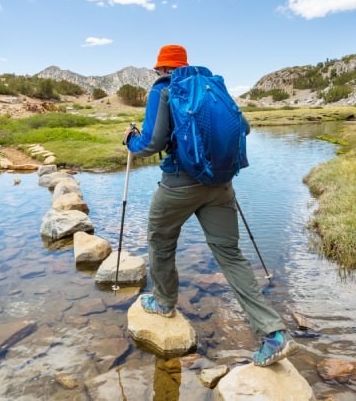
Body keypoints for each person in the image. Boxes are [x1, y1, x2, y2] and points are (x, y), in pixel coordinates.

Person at [123, 44, 299, 367]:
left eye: (158, 69)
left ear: (162, 69)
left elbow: (151, 143)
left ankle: (164, 302)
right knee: (230, 255)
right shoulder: (211, 86)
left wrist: (129, 139)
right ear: (185, 65)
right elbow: (242, 127)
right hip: (220, 185)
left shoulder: (162, 91)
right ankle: (274, 333)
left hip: (178, 184)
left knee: (160, 239)